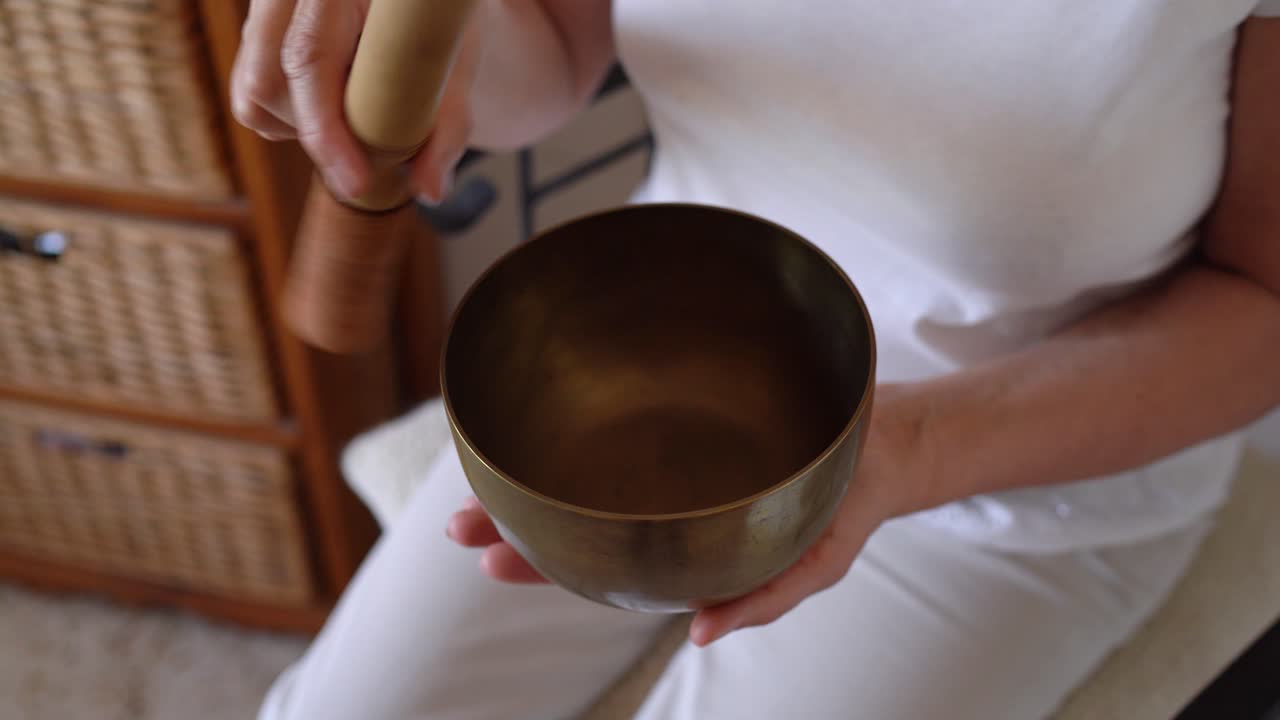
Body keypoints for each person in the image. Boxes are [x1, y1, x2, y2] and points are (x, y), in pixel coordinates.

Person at [233, 1, 1280, 718]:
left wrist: (914, 448)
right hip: (655, 347)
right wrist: (429, 44)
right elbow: (553, 46)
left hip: (1023, 471)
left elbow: (1265, 304)